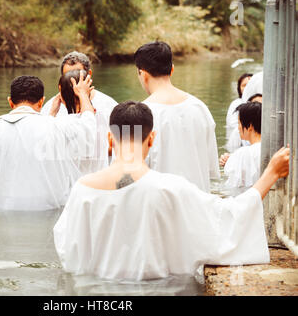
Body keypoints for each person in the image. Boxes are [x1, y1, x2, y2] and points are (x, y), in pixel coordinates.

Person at [53, 102, 290, 281]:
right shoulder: (171, 188)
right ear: (152, 139)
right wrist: (271, 173)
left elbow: (67, 250)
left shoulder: (82, 189)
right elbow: (229, 217)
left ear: (110, 139)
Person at [0, 74, 96, 211]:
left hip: (1, 220)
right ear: (41, 102)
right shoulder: (57, 127)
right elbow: (88, 130)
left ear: (10, 102)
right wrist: (83, 94)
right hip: (49, 219)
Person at [134, 41, 219, 192]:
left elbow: (132, 175)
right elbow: (211, 168)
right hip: (198, 205)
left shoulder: (140, 114)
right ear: (172, 69)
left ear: (143, 73)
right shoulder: (200, 108)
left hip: (160, 207)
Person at [57, 69, 109, 174]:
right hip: (102, 183)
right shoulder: (105, 114)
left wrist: (51, 113)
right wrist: (83, 95)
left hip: (73, 187)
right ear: (89, 90)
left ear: (61, 95)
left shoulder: (60, 123)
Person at [41, 51, 118, 118]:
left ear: (89, 74)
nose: (73, 83)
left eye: (78, 75)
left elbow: (125, 132)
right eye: (68, 77)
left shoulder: (109, 105)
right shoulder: (50, 107)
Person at [220, 103, 262, 195]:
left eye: (239, 123)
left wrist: (231, 162)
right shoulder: (271, 148)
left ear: (250, 126)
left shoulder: (244, 153)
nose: (238, 128)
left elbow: (232, 188)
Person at [226, 73, 253, 141]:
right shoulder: (236, 104)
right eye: (244, 85)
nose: (247, 88)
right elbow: (232, 125)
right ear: (239, 88)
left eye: (250, 85)